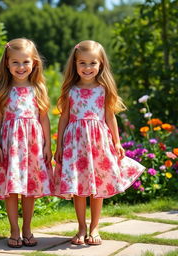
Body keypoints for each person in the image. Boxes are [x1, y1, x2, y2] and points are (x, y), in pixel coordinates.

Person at [54, 40, 145, 246]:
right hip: (75, 144)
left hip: (98, 142)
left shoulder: (103, 89)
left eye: (93, 63)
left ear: (101, 64)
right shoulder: (71, 90)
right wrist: (58, 146)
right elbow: (64, 118)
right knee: (78, 187)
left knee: (97, 186)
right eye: (82, 63)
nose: (87, 68)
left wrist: (117, 142)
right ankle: (81, 227)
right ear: (75, 64)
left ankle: (94, 227)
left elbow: (110, 117)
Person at [0, 38, 54, 248]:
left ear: (34, 63)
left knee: (30, 189)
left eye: (25, 62)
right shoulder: (3, 89)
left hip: (33, 147)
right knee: (11, 190)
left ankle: (28, 228)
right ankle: (14, 229)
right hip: (10, 146)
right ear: (7, 64)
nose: (21, 67)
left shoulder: (38, 88)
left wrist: (48, 146)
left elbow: (44, 118)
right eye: (15, 62)